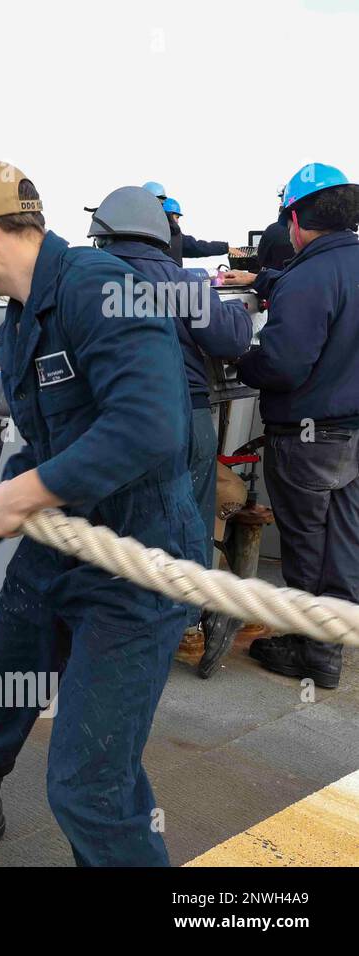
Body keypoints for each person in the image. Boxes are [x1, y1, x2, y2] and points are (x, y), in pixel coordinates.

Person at [0, 159, 203, 866]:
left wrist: (8, 504)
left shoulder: (103, 289)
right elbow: (47, 445)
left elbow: (149, 428)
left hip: (135, 565)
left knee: (89, 784)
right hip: (57, 543)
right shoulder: (20, 325)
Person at [223, 163, 359, 689]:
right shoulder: (331, 267)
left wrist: (241, 357)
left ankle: (314, 654)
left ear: (296, 220)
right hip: (352, 437)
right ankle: (335, 641)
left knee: (306, 545)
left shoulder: (308, 276)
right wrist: (263, 278)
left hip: (311, 440)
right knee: (344, 543)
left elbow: (283, 365)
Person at [85, 186, 252, 567]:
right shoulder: (182, 281)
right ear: (159, 234)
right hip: (183, 415)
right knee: (190, 521)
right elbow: (229, 339)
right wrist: (241, 313)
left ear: (102, 235)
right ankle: (188, 620)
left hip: (104, 419)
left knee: (114, 527)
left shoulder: (81, 280)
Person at [161, 197, 229, 266]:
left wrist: (225, 247)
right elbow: (199, 247)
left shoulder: (176, 237)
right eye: (177, 217)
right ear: (168, 215)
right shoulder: (174, 237)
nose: (177, 222)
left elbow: (200, 247)